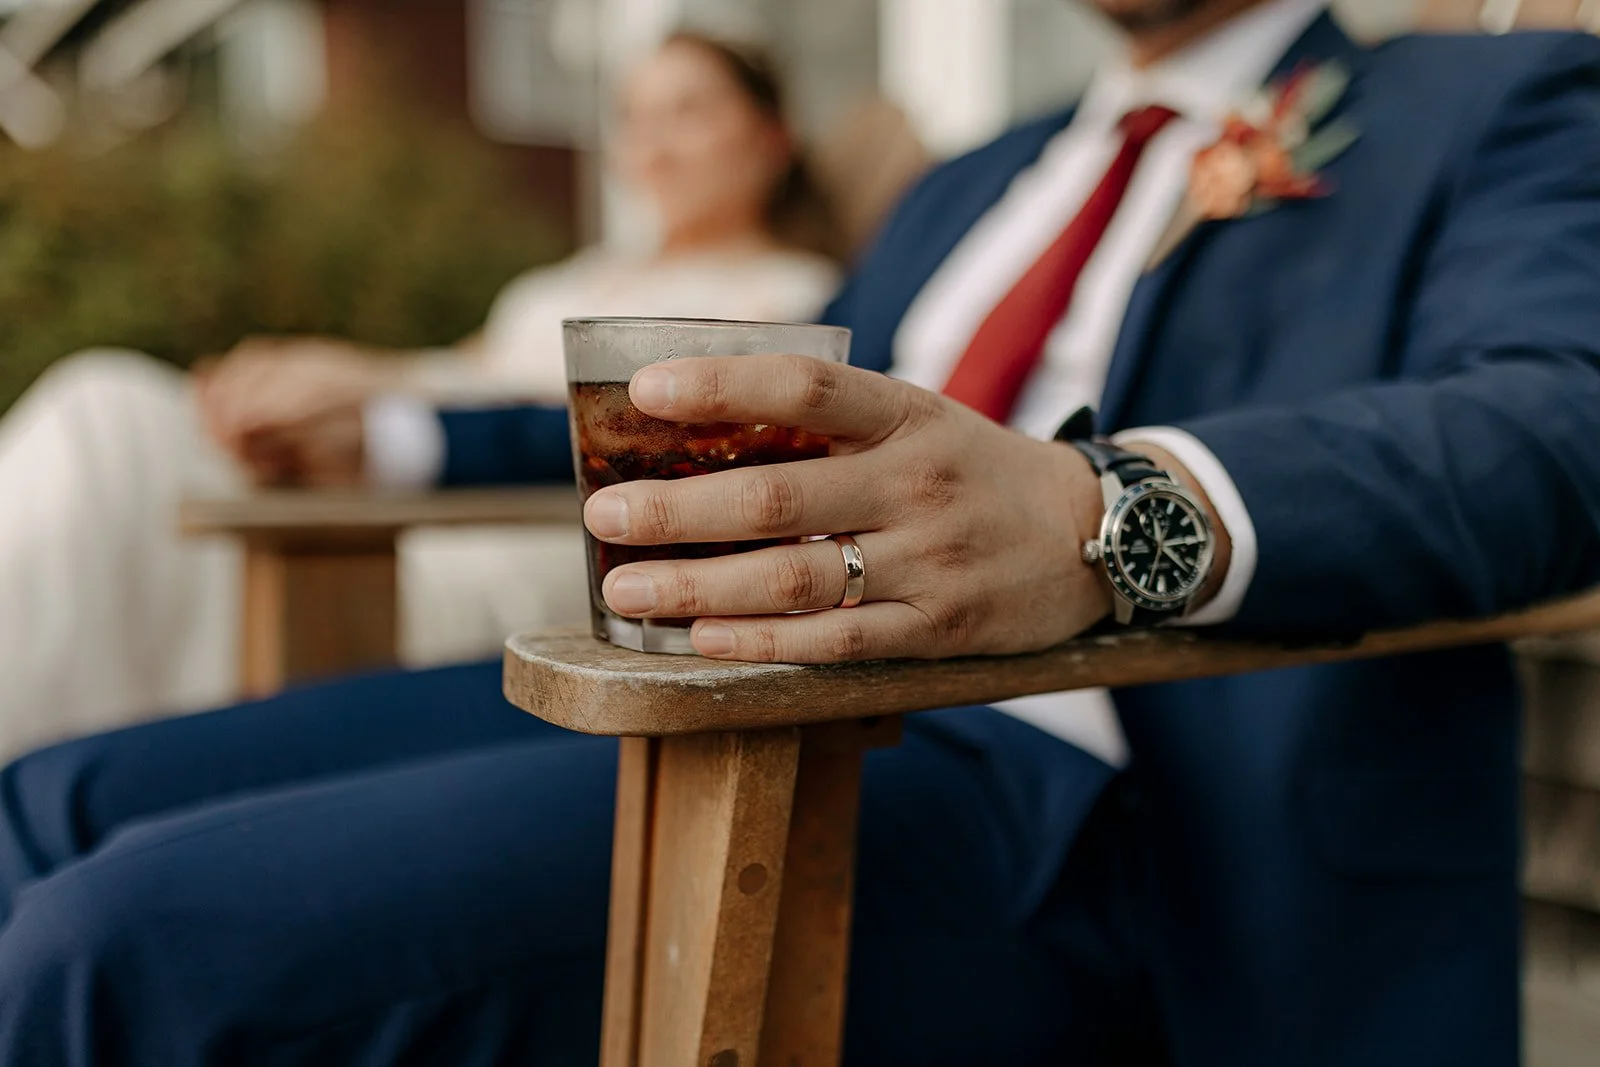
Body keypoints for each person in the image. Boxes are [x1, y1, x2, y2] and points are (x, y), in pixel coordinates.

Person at [4, 0, 1600, 1063]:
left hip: (1107, 806)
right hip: (741, 684)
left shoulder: (1486, 101)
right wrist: (401, 424)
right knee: (48, 800)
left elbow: (1561, 421)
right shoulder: (979, 178)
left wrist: (1104, 513)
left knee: (110, 952)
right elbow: (751, 399)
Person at [0, 32, 840, 758]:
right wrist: (306, 370)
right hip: (394, 471)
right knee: (109, 404)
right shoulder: (576, 278)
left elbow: (644, 440)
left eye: (688, 112)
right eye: (635, 117)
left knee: (108, 447)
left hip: (512, 533)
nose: (653, 144)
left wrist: (385, 433)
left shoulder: (793, 302)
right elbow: (441, 368)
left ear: (771, 138)